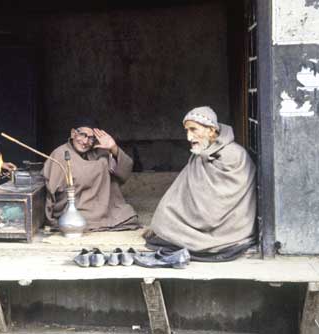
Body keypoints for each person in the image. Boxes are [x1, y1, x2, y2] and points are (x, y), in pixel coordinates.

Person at [143, 106, 257, 261]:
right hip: (201, 219)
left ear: (211, 130)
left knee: (168, 231)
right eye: (187, 131)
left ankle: (198, 238)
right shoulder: (202, 154)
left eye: (193, 130)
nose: (189, 137)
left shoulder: (234, 155)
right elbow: (181, 192)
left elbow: (216, 206)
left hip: (227, 228)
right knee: (165, 218)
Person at [43, 117, 139, 232]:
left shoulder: (99, 152)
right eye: (83, 135)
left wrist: (114, 148)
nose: (85, 142)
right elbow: (51, 191)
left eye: (91, 138)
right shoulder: (60, 154)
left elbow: (126, 170)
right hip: (75, 208)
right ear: (73, 133)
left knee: (128, 215)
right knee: (74, 221)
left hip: (104, 208)